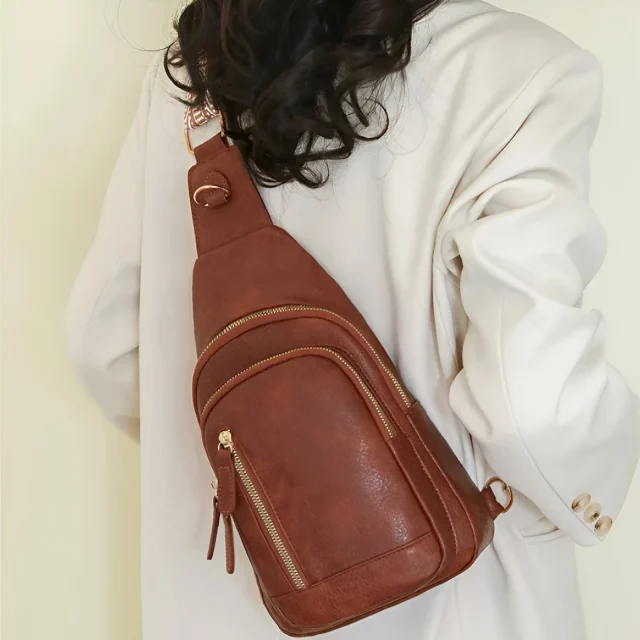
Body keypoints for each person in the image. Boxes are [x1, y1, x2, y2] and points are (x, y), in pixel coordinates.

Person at [65, 0, 640, 638]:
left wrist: (274, 468)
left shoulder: (193, 70)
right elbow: (534, 404)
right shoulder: (518, 68)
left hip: (227, 601)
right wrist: (590, 499)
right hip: (456, 596)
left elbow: (104, 343)